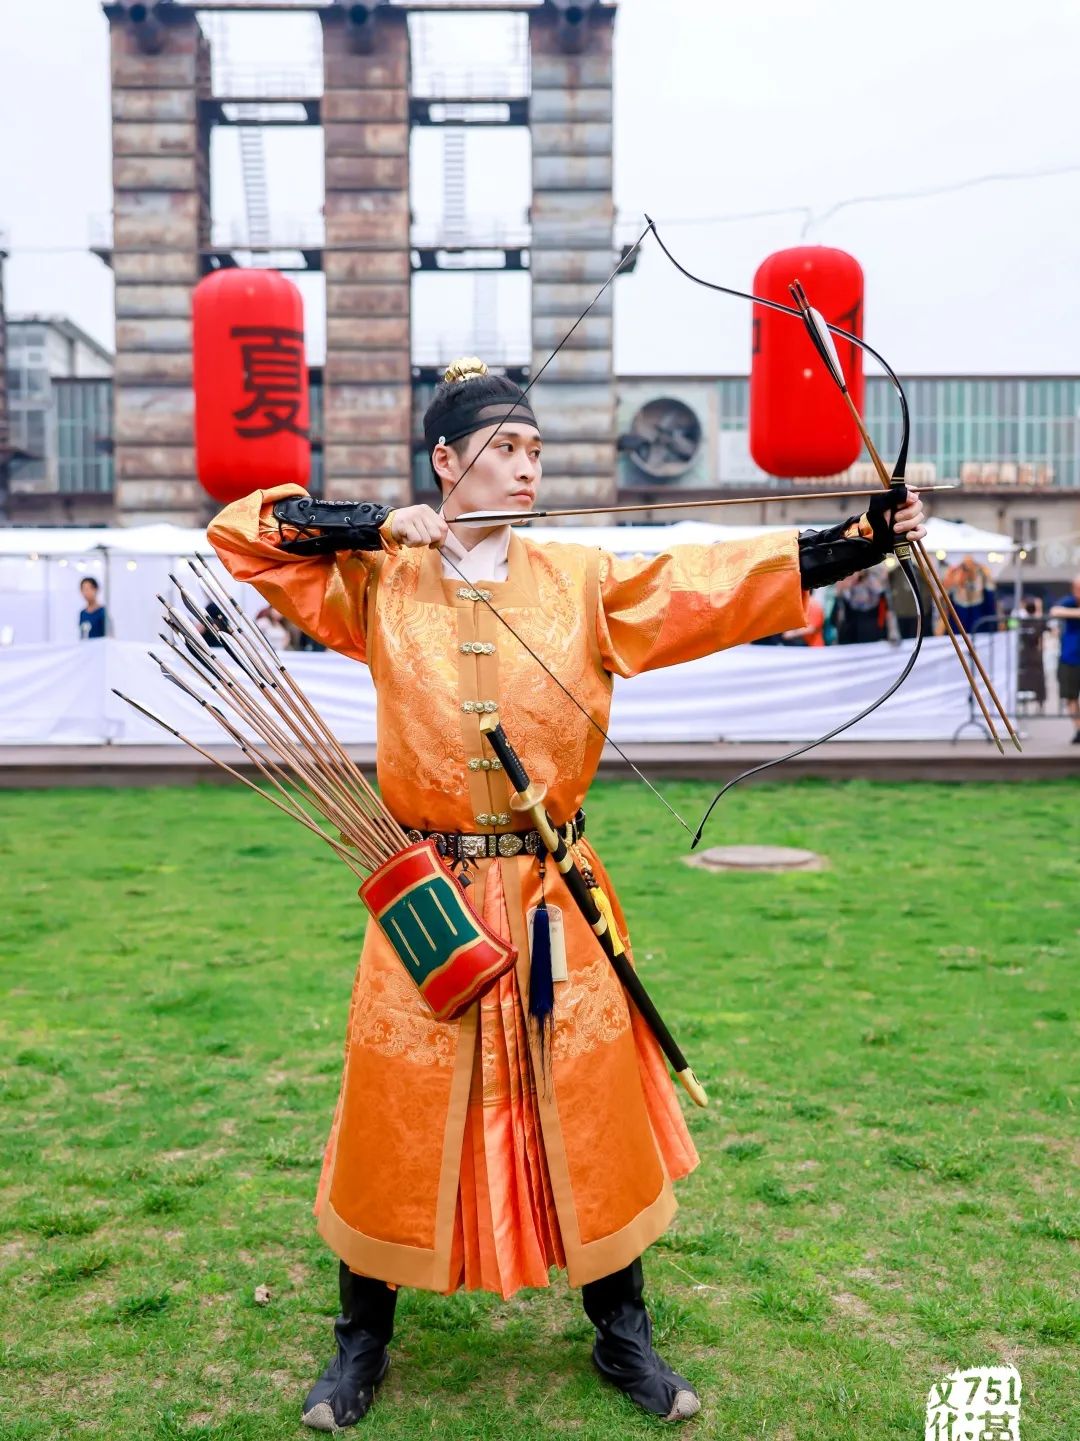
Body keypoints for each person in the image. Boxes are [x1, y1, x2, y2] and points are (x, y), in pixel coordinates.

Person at [207, 359, 926, 1430]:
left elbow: (706, 584)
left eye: (537, 450)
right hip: (429, 895)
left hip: (551, 890)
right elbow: (242, 534)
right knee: (395, 1105)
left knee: (588, 1102)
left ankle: (622, 1333)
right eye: (504, 449)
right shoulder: (377, 581)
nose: (528, 465)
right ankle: (361, 1339)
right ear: (445, 463)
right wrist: (376, 525)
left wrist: (853, 542)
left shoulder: (581, 577)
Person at [1049, 574, 1080, 743]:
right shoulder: (1069, 601)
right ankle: (1078, 729)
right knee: (1070, 696)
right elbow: (1054, 610)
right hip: (1070, 657)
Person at [833, 567, 887, 644]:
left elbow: (879, 591)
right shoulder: (851, 581)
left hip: (869, 618)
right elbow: (846, 597)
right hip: (854, 619)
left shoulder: (870, 579)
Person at [1015, 598, 1047, 712]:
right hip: (1033, 653)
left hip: (1027, 653)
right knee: (1034, 679)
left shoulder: (1023, 622)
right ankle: (1038, 702)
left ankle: (1037, 702)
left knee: (1029, 678)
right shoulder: (1036, 621)